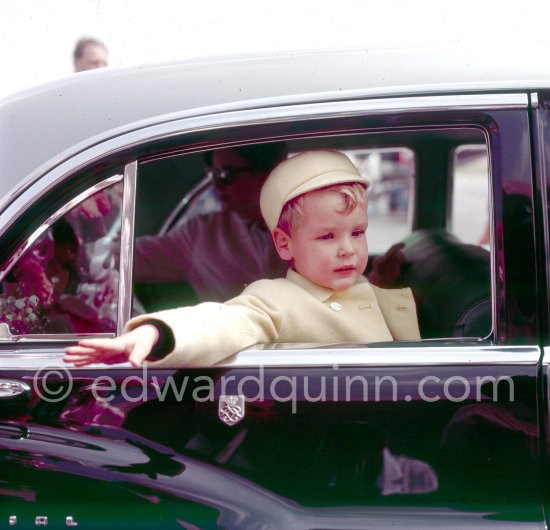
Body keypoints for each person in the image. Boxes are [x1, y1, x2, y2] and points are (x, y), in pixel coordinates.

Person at [64, 150, 420, 368]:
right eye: (327, 236)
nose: (347, 249)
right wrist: (156, 334)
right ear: (284, 244)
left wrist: (379, 284)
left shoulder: (361, 286)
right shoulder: (273, 299)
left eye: (357, 233)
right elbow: (223, 320)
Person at [133, 144, 289, 302]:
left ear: (266, 172)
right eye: (213, 174)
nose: (217, 185)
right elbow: (128, 257)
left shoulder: (306, 217)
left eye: (224, 175)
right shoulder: (199, 233)